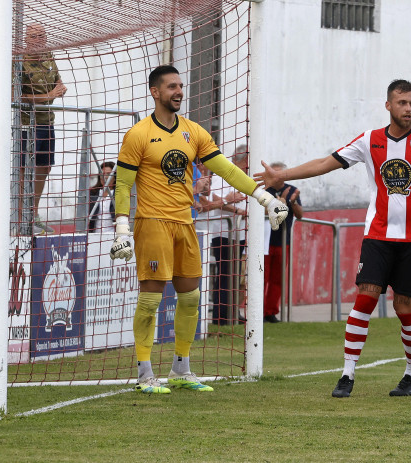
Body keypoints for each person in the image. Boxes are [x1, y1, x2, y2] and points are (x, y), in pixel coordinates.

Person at [255, 79, 411, 398]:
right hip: (377, 235)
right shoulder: (370, 140)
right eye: (402, 103)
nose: (408, 108)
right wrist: (283, 175)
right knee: (365, 296)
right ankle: (347, 374)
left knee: (404, 308)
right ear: (388, 105)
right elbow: (325, 163)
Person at [109, 65, 289, 394]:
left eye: (181, 85)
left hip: (186, 223)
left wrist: (263, 198)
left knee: (190, 298)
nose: (179, 91)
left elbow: (228, 170)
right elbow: (123, 185)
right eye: (171, 86)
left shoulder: (195, 132)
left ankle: (181, 369)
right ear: (155, 92)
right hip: (152, 225)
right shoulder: (138, 134)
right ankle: (145, 373)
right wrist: (122, 230)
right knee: (150, 300)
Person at [20, 23, 67, 234]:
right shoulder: (18, 60)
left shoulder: (48, 56)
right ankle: (20, 214)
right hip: (25, 123)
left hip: (47, 121)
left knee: (44, 166)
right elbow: (16, 96)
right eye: (33, 36)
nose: (37, 40)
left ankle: (33, 213)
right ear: (26, 40)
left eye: (41, 36)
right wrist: (47, 96)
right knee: (22, 169)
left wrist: (60, 88)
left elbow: (57, 83)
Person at [199, 146, 251, 325]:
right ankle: (221, 316)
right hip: (224, 232)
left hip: (238, 233)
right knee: (224, 275)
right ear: (242, 160)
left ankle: (233, 312)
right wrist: (237, 209)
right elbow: (215, 200)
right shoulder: (223, 174)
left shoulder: (243, 175)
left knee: (237, 275)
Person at [263, 162, 304, 323]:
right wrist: (280, 203)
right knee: (262, 277)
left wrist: (291, 202)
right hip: (265, 242)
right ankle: (256, 312)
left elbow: (300, 214)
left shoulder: (292, 190)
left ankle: (270, 312)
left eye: (280, 174)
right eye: (275, 173)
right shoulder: (264, 190)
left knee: (277, 279)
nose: (277, 177)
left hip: (283, 241)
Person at [88, 161, 116, 232]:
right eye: (102, 174)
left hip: (114, 235)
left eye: (109, 174)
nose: (105, 177)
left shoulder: (119, 194)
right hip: (94, 235)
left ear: (115, 177)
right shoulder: (92, 193)